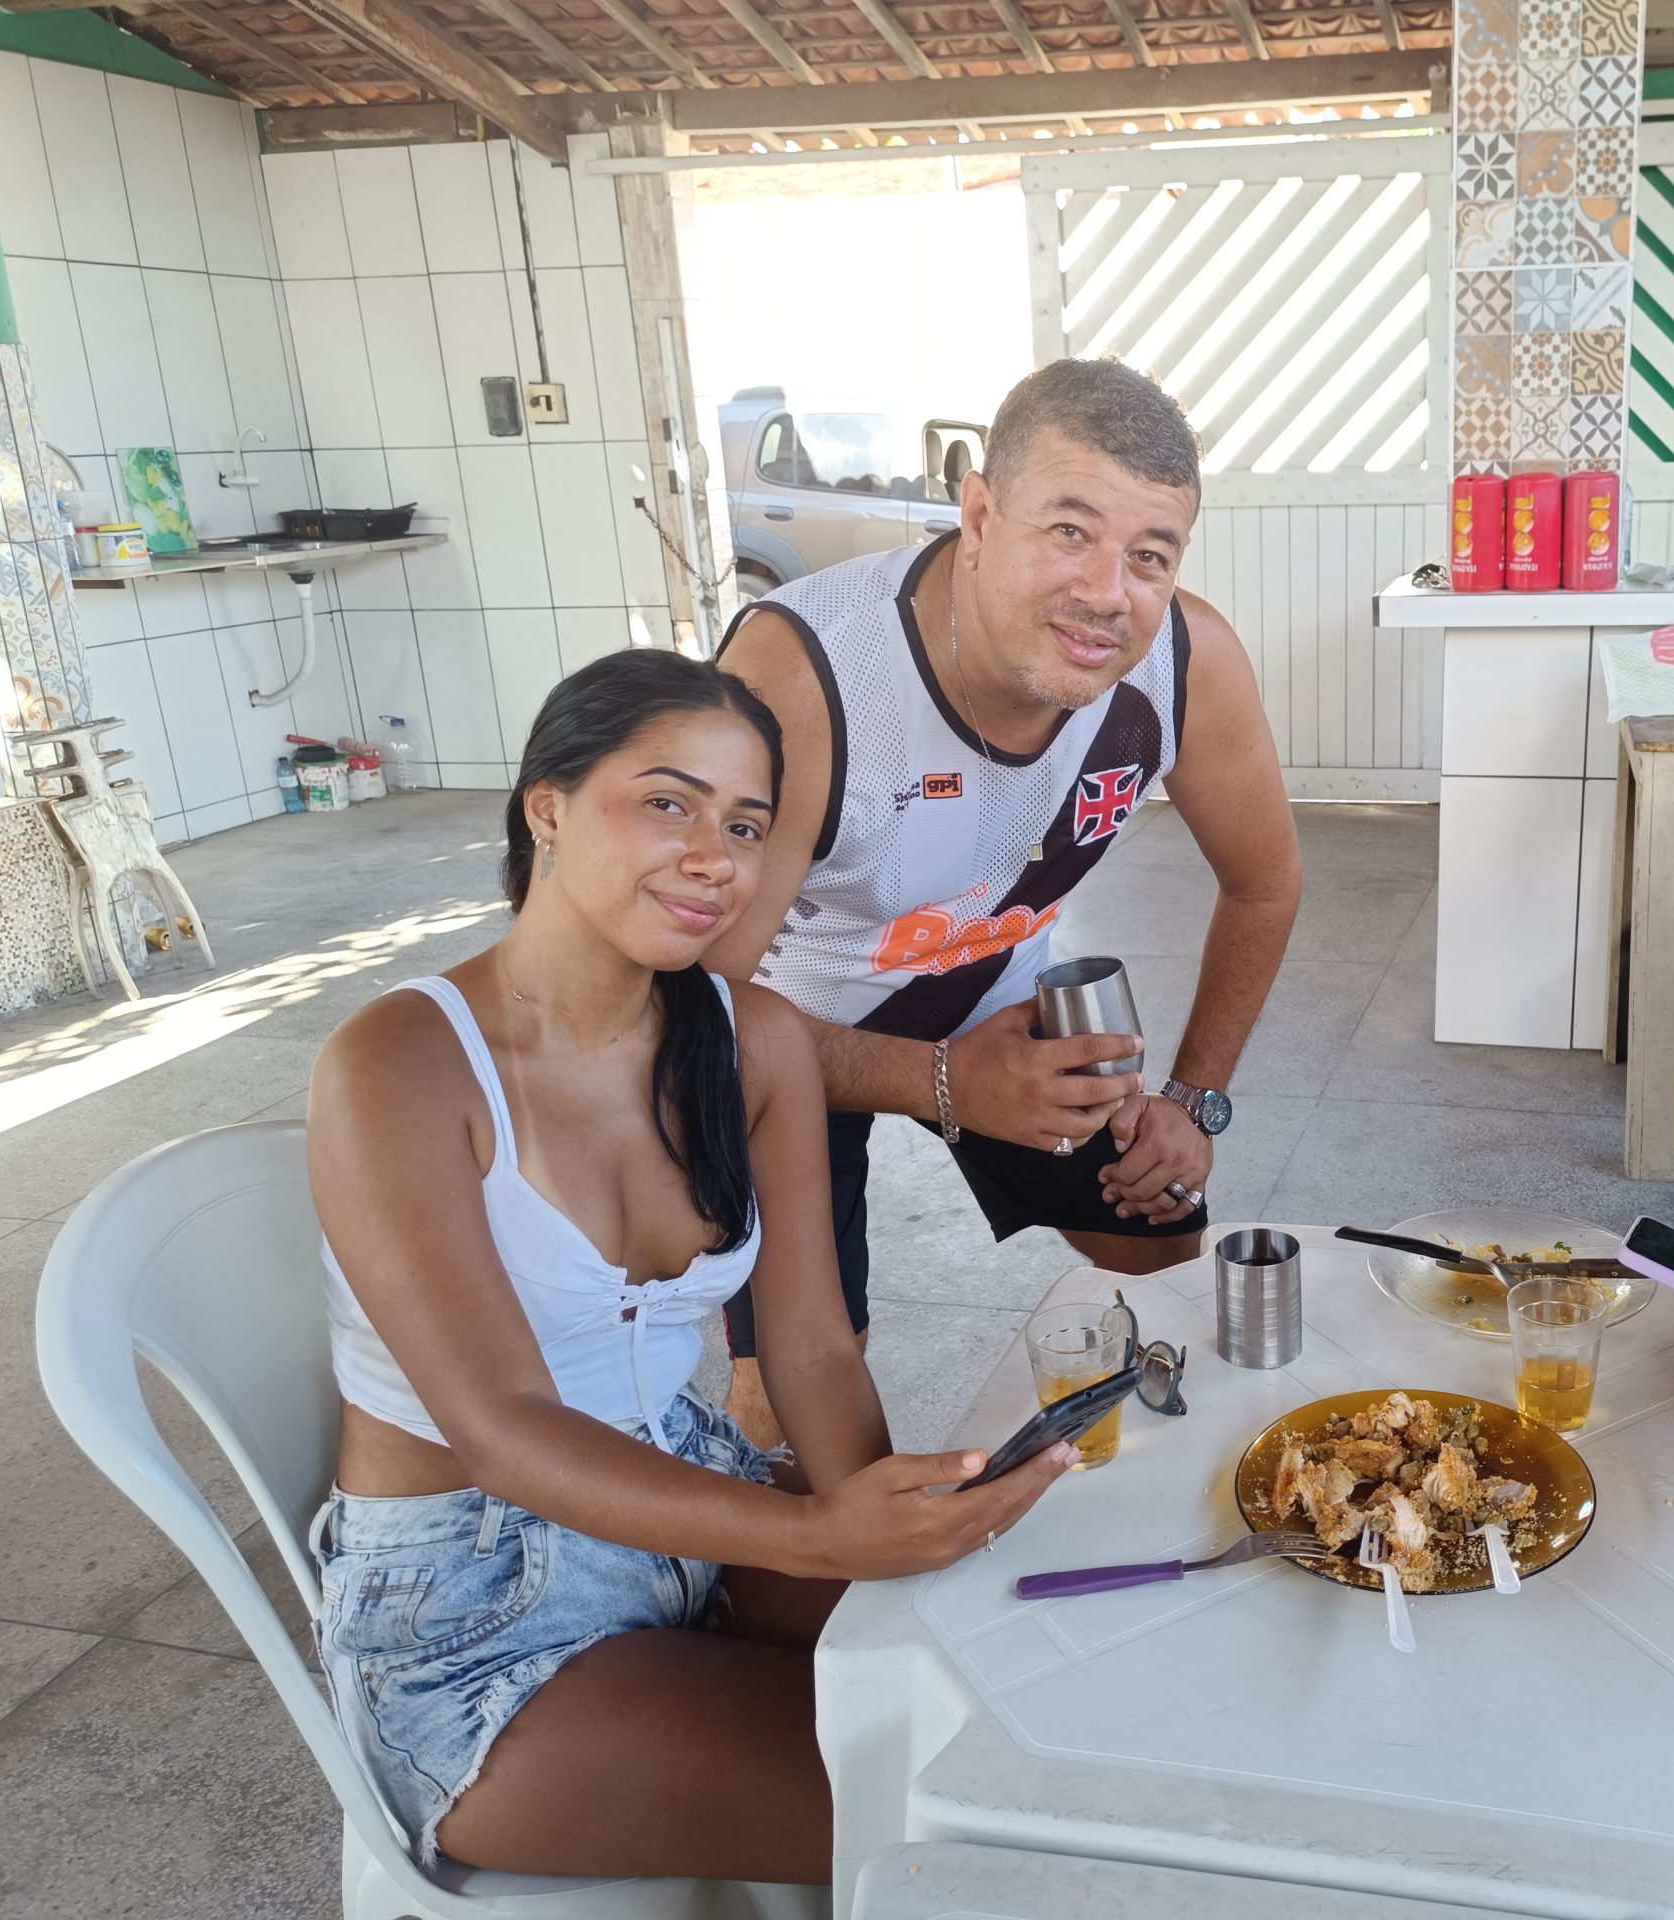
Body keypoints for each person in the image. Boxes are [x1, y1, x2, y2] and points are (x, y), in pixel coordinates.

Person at [307, 651, 1073, 1883]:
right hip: (477, 1608)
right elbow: (504, 1433)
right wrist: (819, 1538)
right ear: (547, 808)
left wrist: (889, 1537)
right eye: (668, 803)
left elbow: (811, 1348)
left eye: (747, 825)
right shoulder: (399, 1064)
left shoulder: (751, 1038)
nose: (715, 857)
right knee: (958, 1821)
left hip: (698, 1506)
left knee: (1035, 1705)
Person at [706, 357, 1301, 1443]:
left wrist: (1192, 1100)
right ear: (978, 514)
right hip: (785, 1023)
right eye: (1069, 530)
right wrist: (942, 1083)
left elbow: (1265, 883)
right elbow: (691, 1012)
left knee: (1163, 1244)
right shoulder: (806, 673)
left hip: (995, 990)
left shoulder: (1185, 659)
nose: (1107, 594)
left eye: (1150, 554)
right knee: (797, 1386)